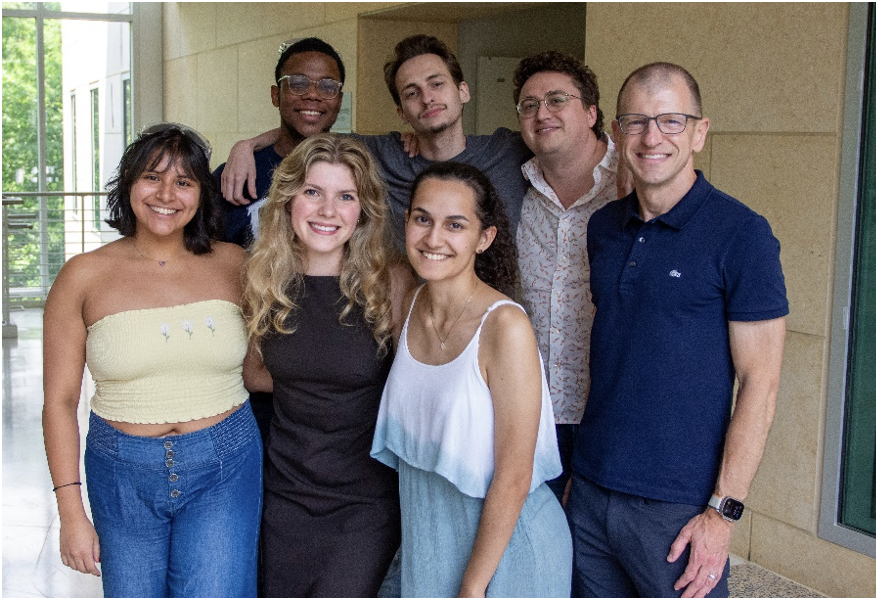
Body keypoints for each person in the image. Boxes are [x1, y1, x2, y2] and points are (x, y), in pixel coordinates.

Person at [569, 63, 788, 598]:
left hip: (679, 508)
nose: (652, 138)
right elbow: (613, 353)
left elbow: (760, 383)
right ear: (617, 134)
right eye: (637, 122)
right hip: (592, 491)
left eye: (671, 121)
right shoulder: (603, 228)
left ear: (699, 132)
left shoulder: (743, 234)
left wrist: (723, 512)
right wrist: (581, 473)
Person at [42, 124, 265, 597]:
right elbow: (59, 402)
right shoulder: (82, 276)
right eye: (152, 177)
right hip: (121, 470)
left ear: (201, 194)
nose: (166, 194)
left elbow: (265, 365)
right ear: (128, 184)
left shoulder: (236, 265)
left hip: (225, 464)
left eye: (183, 181)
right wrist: (70, 513)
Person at [371, 162, 572, 597]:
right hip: (430, 544)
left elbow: (515, 475)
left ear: (485, 237)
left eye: (455, 225)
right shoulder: (408, 301)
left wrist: (473, 586)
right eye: (423, 219)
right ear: (406, 221)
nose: (433, 238)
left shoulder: (505, 327)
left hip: (507, 553)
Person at [242, 134, 414, 598]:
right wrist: (316, 382)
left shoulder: (391, 283)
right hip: (285, 493)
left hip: (365, 499)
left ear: (363, 210)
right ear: (288, 199)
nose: (327, 210)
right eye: (313, 192)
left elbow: (414, 387)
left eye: (346, 197)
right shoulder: (264, 278)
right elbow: (253, 374)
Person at [221, 34, 531, 250]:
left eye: (437, 84)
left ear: (463, 91)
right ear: (401, 112)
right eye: (412, 92)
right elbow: (311, 129)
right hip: (406, 318)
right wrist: (247, 146)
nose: (427, 98)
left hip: (492, 318)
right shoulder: (384, 155)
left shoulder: (508, 150)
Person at [216, 37, 346, 444]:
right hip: (250, 382)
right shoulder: (238, 173)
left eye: (328, 86)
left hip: (332, 379)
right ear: (276, 95)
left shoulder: (353, 165)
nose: (313, 95)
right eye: (298, 83)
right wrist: (247, 147)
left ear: (340, 99)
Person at [512, 50, 620, 504]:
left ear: (591, 112)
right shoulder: (513, 183)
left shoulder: (632, 183)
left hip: (611, 414)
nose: (542, 113)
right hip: (530, 414)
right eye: (529, 105)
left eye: (557, 99)